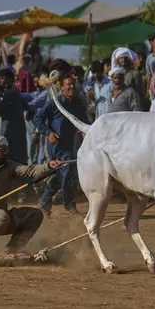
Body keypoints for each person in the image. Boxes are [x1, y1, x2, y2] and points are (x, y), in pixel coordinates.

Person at [35, 73, 89, 216]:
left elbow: (84, 122)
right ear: (62, 87)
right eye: (68, 84)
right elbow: (37, 118)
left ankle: (44, 202)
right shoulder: (54, 103)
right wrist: (49, 133)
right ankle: (69, 205)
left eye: (73, 84)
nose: (71, 87)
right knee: (68, 171)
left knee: (59, 174)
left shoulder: (79, 103)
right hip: (56, 144)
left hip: (71, 143)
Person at [0, 69, 28, 165]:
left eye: (3, 79)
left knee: (12, 158)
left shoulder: (10, 93)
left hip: (12, 129)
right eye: (0, 79)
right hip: (18, 128)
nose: (2, 81)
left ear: (10, 79)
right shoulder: (14, 91)